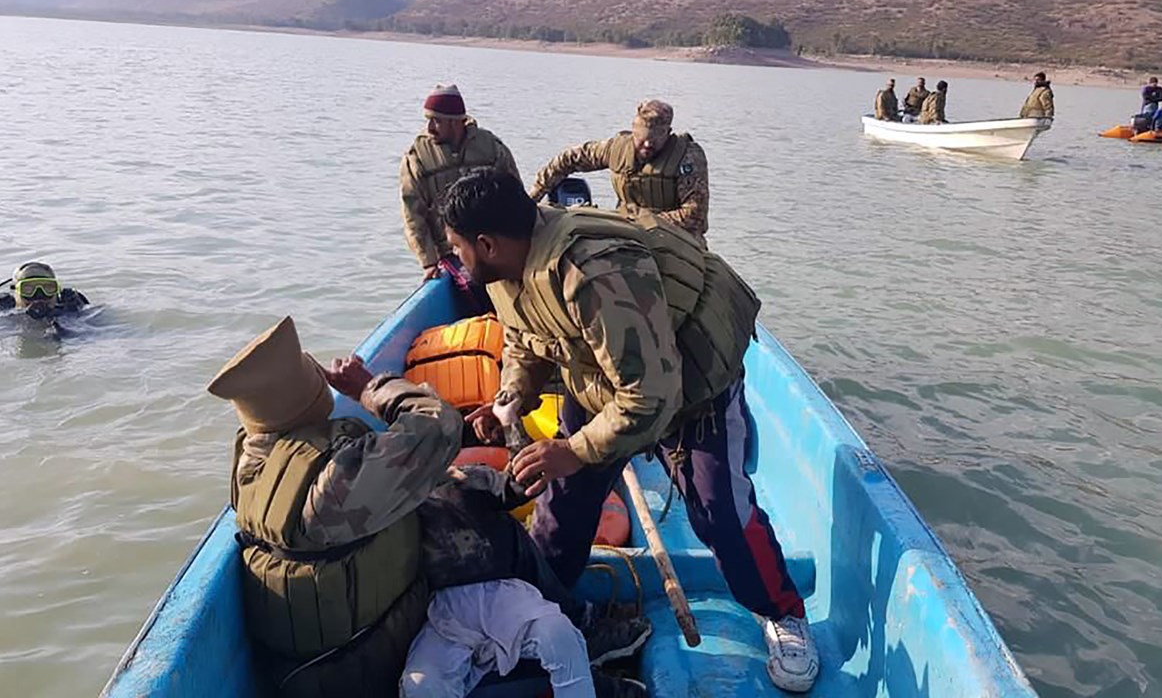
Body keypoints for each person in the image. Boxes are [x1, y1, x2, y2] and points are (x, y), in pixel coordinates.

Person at [441, 169, 820, 693]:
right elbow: (523, 338)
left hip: (687, 388)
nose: (454, 259)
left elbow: (652, 396)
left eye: (457, 248)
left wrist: (574, 449)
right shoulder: (505, 268)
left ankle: (782, 611)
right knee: (562, 508)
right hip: (600, 380)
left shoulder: (593, 274)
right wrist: (510, 400)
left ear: (487, 244)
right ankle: (540, 611)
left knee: (720, 513)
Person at [207, 316, 464, 698]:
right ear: (307, 394)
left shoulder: (249, 463)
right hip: (372, 669)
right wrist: (369, 388)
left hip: (302, 676)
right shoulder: (337, 478)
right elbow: (442, 426)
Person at [404, 464, 651, 698]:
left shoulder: (466, 480)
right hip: (445, 616)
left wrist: (515, 435)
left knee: (559, 635)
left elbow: (519, 485)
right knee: (422, 684)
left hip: (504, 599)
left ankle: (596, 671)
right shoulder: (394, 508)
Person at [528, 100, 710, 244]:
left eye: (655, 139)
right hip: (626, 230)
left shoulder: (687, 157)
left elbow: (695, 215)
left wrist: (642, 221)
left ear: (668, 133)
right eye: (642, 139)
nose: (648, 145)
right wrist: (533, 197)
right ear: (634, 131)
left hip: (674, 236)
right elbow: (569, 159)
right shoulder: (617, 149)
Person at [400, 84, 520, 281]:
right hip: (450, 253)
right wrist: (428, 261)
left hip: (492, 248)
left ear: (455, 122)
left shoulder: (491, 147)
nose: (430, 128)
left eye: (436, 121)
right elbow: (412, 214)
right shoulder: (418, 157)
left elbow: (514, 195)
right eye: (428, 120)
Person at [0, 261, 89, 323]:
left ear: (57, 291)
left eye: (48, 288)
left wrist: (71, 313)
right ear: (16, 293)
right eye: (28, 289)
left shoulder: (71, 309)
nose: (38, 295)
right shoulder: (3, 313)